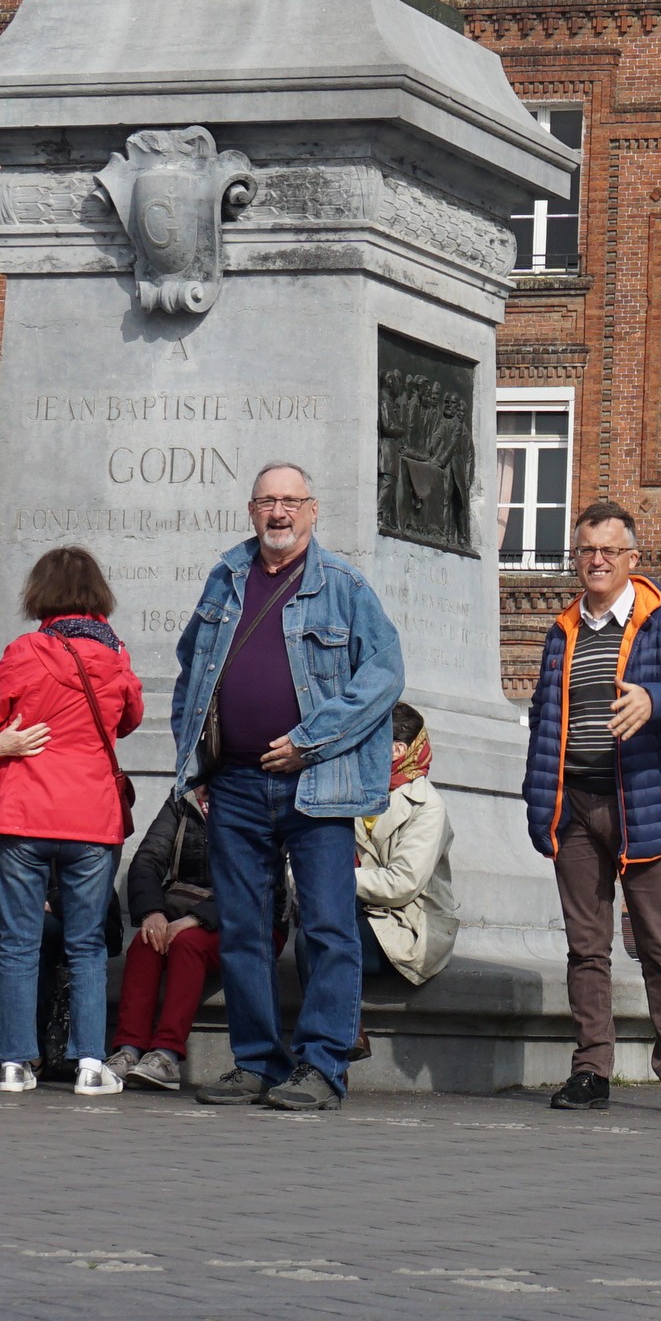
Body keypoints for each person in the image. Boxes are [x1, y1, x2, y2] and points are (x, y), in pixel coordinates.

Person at [163, 462, 401, 1112]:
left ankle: (322, 1065)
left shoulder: (344, 586)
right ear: (250, 508)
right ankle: (256, 1062)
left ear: (313, 510)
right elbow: (191, 671)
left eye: (291, 501)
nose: (279, 512)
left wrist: (309, 740)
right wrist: (198, 767)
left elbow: (383, 677)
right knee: (243, 927)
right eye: (268, 500)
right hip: (234, 784)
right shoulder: (225, 578)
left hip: (318, 783)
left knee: (326, 924)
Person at [523, 501, 661, 1114]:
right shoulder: (563, 630)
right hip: (574, 807)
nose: (598, 560)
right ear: (575, 559)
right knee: (586, 948)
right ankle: (591, 1070)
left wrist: (653, 701)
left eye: (610, 550)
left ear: (633, 558)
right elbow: (544, 719)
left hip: (640, 808)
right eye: (587, 550)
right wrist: (539, 800)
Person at [0, 545, 144, 1096]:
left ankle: (13, 1063)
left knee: (18, 942)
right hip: (91, 819)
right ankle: (91, 1064)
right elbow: (128, 719)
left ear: (40, 594)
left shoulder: (25, 650)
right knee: (87, 945)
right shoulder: (115, 653)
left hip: (23, 812)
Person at [115, 782, 219, 1093]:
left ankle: (167, 1055)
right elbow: (147, 859)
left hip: (244, 915)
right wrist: (152, 913)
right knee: (146, 941)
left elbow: (256, 876)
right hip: (183, 907)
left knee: (188, 944)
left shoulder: (252, 794)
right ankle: (129, 1049)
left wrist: (198, 918)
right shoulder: (182, 797)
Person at [354, 699, 455, 992]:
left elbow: (402, 884)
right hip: (357, 909)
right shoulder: (353, 790)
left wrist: (330, 878)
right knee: (325, 933)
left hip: (408, 925)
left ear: (396, 750)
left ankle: (340, 1034)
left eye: (368, 738)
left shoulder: (427, 806)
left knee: (323, 943)